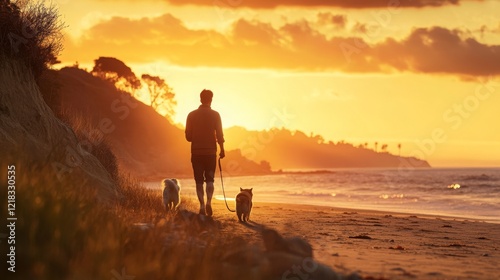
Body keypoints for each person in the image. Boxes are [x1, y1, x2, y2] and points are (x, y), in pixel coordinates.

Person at [185, 89, 225, 216]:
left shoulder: (191, 115)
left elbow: (188, 138)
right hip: (210, 154)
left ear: (200, 99)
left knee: (198, 181)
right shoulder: (216, 115)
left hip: (196, 153)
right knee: (210, 180)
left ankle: (201, 205)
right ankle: (208, 203)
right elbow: (219, 134)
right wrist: (222, 149)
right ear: (211, 99)